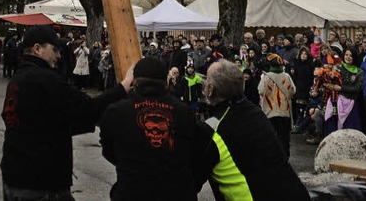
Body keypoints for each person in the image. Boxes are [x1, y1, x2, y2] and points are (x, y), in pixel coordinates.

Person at [0, 25, 134, 201]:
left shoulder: (18, 78)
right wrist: (123, 87)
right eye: (54, 49)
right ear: (37, 49)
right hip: (42, 181)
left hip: (15, 175)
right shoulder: (46, 79)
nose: (59, 55)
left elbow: (45, 122)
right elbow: (86, 107)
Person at [196, 59, 310, 201]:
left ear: (210, 90)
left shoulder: (211, 129)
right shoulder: (256, 113)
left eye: (207, 79)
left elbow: (192, 179)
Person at [99, 57, 203, 200]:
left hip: (132, 191)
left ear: (134, 82)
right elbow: (197, 153)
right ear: (166, 82)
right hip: (176, 192)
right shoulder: (185, 112)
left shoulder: (116, 111)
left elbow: (108, 149)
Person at [257, 53, 296, 157]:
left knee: (271, 136)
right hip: (284, 111)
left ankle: (273, 156)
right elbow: (293, 91)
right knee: (284, 137)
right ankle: (285, 156)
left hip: (270, 112)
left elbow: (260, 91)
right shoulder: (286, 76)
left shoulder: (266, 77)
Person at [337, 47, 364, 131]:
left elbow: (357, 88)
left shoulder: (359, 71)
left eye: (351, 55)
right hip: (338, 102)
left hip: (352, 102)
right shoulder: (338, 68)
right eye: (346, 55)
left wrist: (341, 88)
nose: (348, 57)